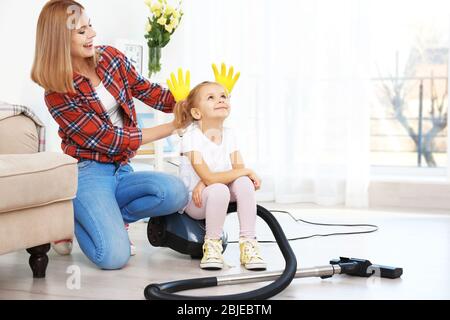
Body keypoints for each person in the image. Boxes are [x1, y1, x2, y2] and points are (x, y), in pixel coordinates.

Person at [31, 0, 189, 269]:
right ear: (59, 39)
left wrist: (191, 103)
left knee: (175, 192)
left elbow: (146, 90)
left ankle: (107, 215)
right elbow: (110, 138)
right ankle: (72, 214)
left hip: (121, 167)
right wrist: (172, 126)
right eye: (81, 31)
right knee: (113, 257)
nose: (92, 34)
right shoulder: (57, 92)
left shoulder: (111, 58)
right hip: (88, 171)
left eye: (90, 25)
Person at [171, 77, 267, 271]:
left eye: (223, 96)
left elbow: (238, 173)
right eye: (212, 97)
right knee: (219, 189)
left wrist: (209, 181)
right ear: (197, 112)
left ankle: (248, 243)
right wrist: (207, 182)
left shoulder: (230, 135)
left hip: (213, 189)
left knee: (244, 183)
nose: (221, 100)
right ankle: (212, 246)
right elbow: (208, 176)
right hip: (195, 202)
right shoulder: (191, 138)